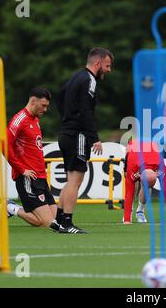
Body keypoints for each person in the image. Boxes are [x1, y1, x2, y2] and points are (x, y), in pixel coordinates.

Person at [56, 47, 113, 233]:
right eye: (107, 65)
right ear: (97, 63)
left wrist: (66, 118)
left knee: (70, 179)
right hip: (77, 135)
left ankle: (58, 219)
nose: (109, 70)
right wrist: (94, 138)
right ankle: (67, 223)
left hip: (65, 133)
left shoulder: (75, 77)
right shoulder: (89, 79)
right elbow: (86, 110)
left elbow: (60, 97)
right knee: (76, 180)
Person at [5, 87, 61, 232]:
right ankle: (11, 208)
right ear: (33, 101)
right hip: (28, 178)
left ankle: (13, 208)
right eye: (43, 105)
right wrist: (22, 170)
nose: (46, 109)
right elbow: (4, 145)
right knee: (46, 223)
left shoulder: (35, 119)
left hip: (41, 176)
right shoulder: (19, 120)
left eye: (47, 106)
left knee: (53, 219)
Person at [123, 140, 166, 225]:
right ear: (139, 176)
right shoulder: (132, 167)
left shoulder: (161, 167)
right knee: (132, 186)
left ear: (156, 173)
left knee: (146, 186)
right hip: (132, 148)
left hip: (151, 146)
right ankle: (129, 212)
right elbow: (128, 193)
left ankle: (140, 211)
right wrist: (127, 220)